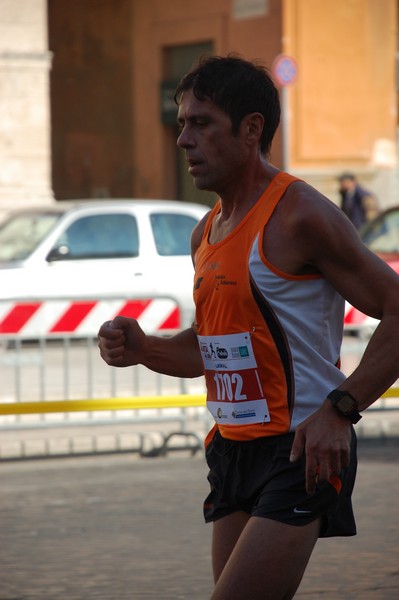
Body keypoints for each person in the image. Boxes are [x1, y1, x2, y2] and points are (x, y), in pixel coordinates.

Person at [98, 55, 399, 600]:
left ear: (252, 128)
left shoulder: (300, 214)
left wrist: (341, 408)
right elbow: (208, 349)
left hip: (301, 449)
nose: (183, 139)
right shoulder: (206, 232)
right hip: (231, 449)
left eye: (202, 123)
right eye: (182, 123)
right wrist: (144, 348)